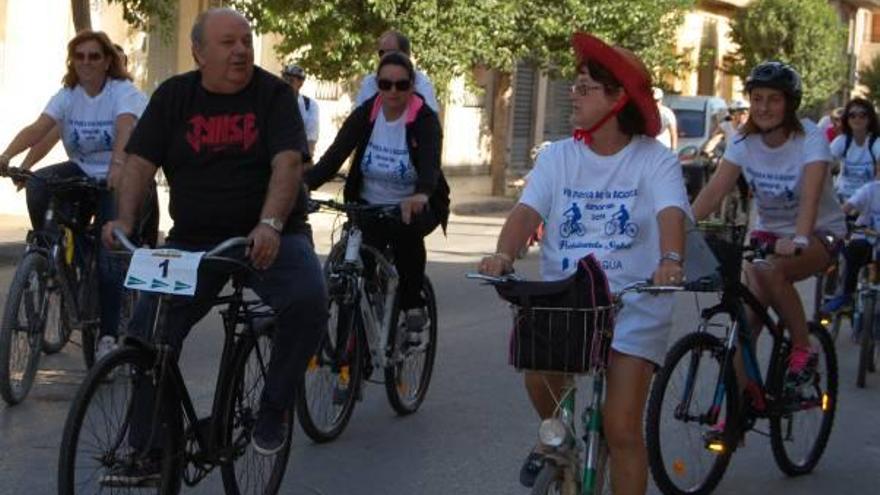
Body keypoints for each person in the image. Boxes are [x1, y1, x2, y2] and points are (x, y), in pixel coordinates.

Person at [100, 7, 326, 484]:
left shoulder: (274, 96)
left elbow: (288, 164)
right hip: (193, 242)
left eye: (245, 40)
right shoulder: (174, 96)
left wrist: (269, 223)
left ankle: (274, 406)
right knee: (147, 332)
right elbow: (139, 163)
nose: (241, 50)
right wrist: (123, 219)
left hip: (267, 235)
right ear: (199, 52)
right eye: (228, 43)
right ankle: (149, 447)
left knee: (308, 299)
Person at [478, 32, 689, 494]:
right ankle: (564, 439)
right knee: (537, 371)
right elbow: (526, 213)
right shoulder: (558, 157)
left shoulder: (656, 161)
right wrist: (503, 253)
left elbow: (671, 214)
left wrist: (670, 259)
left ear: (619, 100)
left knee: (621, 430)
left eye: (586, 87)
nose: (573, 93)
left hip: (634, 304)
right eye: (575, 85)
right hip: (568, 302)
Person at [692, 61, 845, 390]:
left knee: (773, 269)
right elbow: (714, 193)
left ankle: (804, 347)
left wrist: (800, 238)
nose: (763, 107)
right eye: (757, 98)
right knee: (745, 323)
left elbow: (811, 198)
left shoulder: (809, 139)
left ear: (790, 103)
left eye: (773, 99)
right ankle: (733, 413)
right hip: (769, 235)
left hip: (818, 233)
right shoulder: (743, 141)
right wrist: (680, 227)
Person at [0, 30, 147, 361]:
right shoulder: (68, 94)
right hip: (81, 170)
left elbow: (125, 127)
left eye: (94, 56)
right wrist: (8, 156)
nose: (86, 62)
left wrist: (118, 165)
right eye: (79, 56)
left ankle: (109, 334)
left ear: (108, 61)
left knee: (108, 256)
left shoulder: (122, 92)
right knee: (39, 183)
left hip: (116, 176)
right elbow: (41, 128)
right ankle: (51, 250)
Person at [306, 51, 449, 345]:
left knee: (406, 232)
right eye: (385, 84)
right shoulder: (367, 113)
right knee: (357, 265)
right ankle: (358, 350)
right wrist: (301, 186)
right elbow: (334, 157)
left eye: (401, 85)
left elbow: (430, 165)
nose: (393, 91)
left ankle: (412, 305)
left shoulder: (424, 119)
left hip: (414, 204)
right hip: (368, 205)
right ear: (378, 85)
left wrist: (420, 194)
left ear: (412, 85)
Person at [821, 98, 880, 312]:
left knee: (864, 247)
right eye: (852, 115)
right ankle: (832, 288)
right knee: (836, 245)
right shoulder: (842, 141)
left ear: (870, 119)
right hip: (844, 199)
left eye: (862, 115)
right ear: (847, 119)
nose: (857, 119)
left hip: (867, 201)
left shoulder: (875, 143)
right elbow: (822, 165)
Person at [353, 30, 439, 112]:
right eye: (381, 53)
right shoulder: (369, 82)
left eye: (390, 52)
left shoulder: (421, 83)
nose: (384, 57)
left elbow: (431, 119)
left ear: (406, 55)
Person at [281, 64, 320, 156]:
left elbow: (311, 137)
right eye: (284, 78)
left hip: (298, 155)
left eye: (291, 80)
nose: (286, 83)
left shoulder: (310, 106)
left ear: (300, 83)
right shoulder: (273, 101)